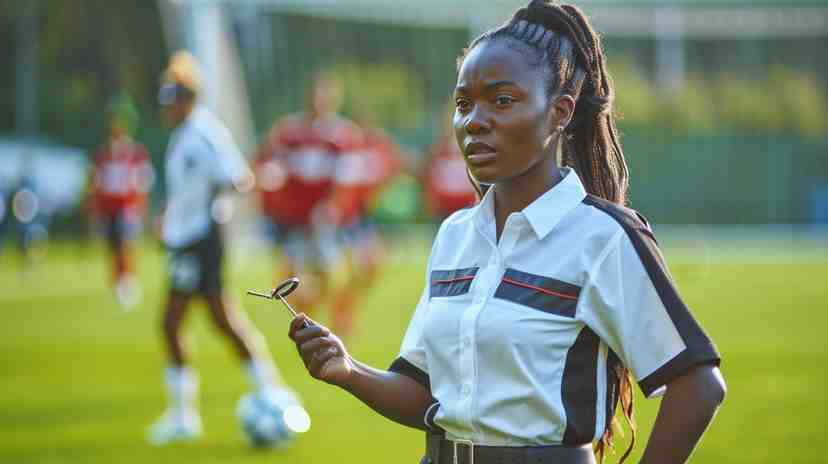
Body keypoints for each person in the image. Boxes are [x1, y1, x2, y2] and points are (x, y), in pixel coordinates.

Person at [287, 2, 726, 463]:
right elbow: (425, 394)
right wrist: (348, 370)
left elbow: (697, 386)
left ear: (559, 113)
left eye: (501, 100)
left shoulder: (602, 238)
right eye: (463, 104)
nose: (474, 120)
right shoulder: (455, 234)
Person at [148, 51, 303, 445]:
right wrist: (170, 215)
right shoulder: (184, 135)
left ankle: (187, 416)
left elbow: (237, 178)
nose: (166, 109)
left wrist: (213, 200)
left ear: (185, 101)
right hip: (189, 239)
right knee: (216, 319)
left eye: (171, 101)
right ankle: (267, 388)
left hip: (201, 240)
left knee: (179, 321)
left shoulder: (203, 133)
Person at [253, 73, 365, 334]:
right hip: (292, 219)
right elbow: (270, 164)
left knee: (334, 273)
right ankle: (311, 318)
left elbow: (346, 181)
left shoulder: (342, 135)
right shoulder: (288, 131)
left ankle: (335, 318)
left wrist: (332, 209)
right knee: (287, 280)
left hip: (325, 221)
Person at [88, 93, 154, 310]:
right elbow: (96, 183)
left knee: (126, 244)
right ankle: (117, 283)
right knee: (112, 247)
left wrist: (142, 209)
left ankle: (129, 282)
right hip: (108, 208)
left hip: (127, 207)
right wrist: (94, 210)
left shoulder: (135, 153)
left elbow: (142, 183)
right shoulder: (103, 153)